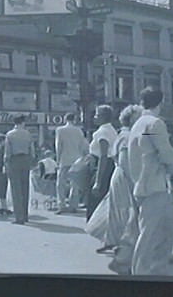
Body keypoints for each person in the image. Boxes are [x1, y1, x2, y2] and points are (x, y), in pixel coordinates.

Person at [127, 87, 173, 275]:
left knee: (171, 228)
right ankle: (141, 272)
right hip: (152, 185)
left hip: (150, 184)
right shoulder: (155, 123)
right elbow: (165, 152)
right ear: (161, 103)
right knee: (149, 233)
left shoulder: (138, 124)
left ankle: (156, 267)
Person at [87, 104, 143, 254]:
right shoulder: (124, 135)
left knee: (117, 209)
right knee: (124, 209)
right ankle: (121, 241)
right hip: (124, 174)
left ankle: (112, 240)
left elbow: (109, 158)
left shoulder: (117, 133)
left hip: (121, 173)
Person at [86, 105, 118, 222]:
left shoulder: (103, 132)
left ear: (103, 117)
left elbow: (103, 156)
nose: (94, 117)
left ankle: (95, 225)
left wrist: (97, 181)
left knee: (95, 198)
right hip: (108, 166)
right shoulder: (111, 130)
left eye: (97, 115)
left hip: (100, 166)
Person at [54, 112, 87, 214]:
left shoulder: (60, 130)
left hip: (64, 159)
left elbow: (58, 145)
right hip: (76, 159)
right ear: (74, 119)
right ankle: (73, 205)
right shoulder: (79, 131)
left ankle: (61, 205)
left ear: (65, 119)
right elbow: (83, 146)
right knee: (74, 184)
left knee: (60, 184)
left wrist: (58, 159)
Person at [4, 115, 35, 225]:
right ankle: (26, 215)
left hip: (14, 160)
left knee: (16, 189)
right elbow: (32, 149)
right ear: (22, 123)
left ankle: (19, 217)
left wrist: (6, 163)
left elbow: (7, 151)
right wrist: (31, 160)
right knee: (25, 188)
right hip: (25, 159)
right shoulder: (28, 134)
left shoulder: (10, 134)